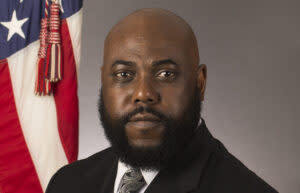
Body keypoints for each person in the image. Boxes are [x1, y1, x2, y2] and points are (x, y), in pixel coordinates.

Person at [46, 8, 278, 193]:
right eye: (124, 75)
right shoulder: (67, 183)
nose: (143, 93)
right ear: (103, 83)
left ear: (199, 83)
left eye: (166, 74)